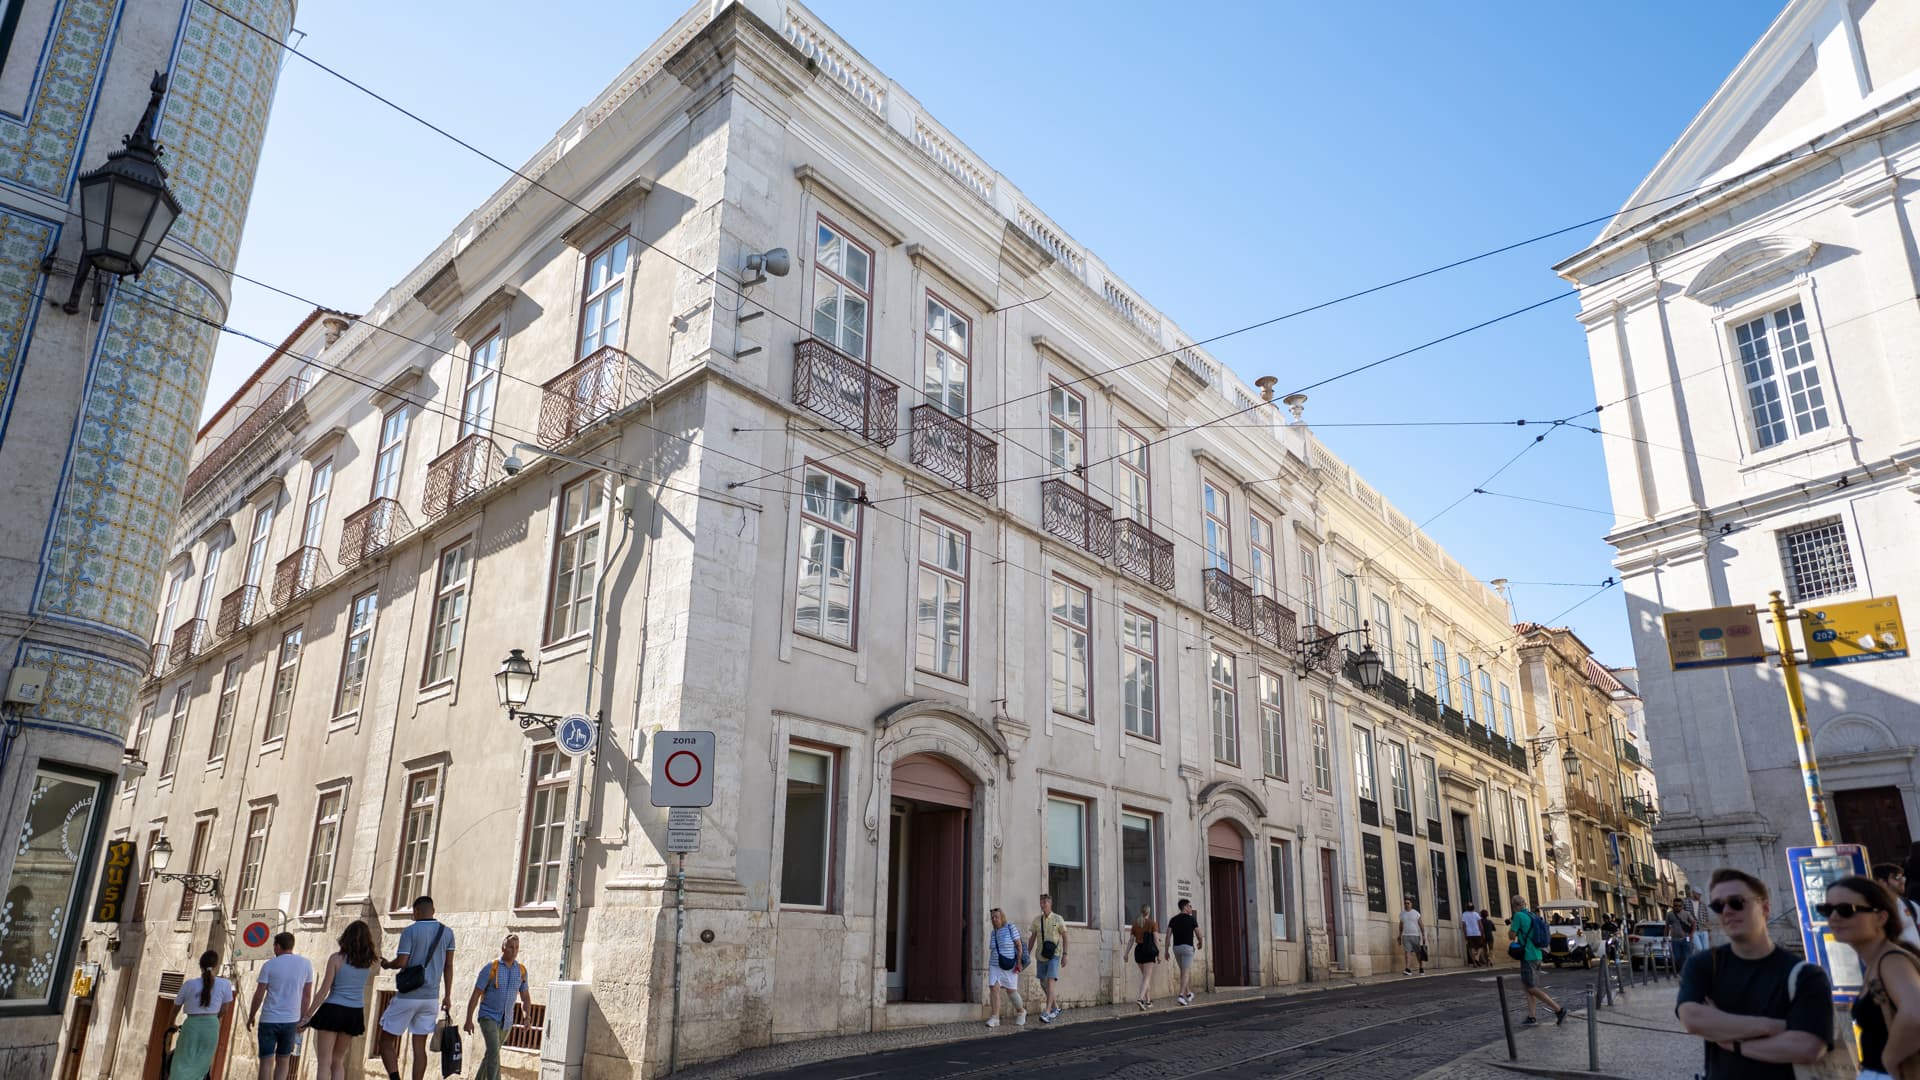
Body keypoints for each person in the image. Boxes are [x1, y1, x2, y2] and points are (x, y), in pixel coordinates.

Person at [1676, 867, 1835, 1079]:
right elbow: (1692, 1018)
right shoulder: (1703, 965)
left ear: (1765, 908)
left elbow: (1808, 1047)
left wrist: (1731, 1041)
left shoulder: (1805, 974)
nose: (1727, 911)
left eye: (1736, 902)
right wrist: (1774, 1026)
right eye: (1718, 906)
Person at [1821, 874, 1920, 1080]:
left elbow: (1916, 1012)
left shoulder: (1891, 960)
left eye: (1846, 910)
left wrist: (1889, 1059)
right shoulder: (1878, 961)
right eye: (1827, 910)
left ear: (1881, 917)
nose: (1834, 917)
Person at [379, 895, 455, 1080]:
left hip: (408, 996)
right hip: (431, 998)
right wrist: (447, 996)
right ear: (433, 910)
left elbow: (402, 961)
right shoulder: (447, 933)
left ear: (415, 911)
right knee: (419, 1048)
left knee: (385, 1041)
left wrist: (388, 964)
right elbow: (449, 966)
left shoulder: (410, 932)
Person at [299, 920, 380, 1080]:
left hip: (333, 1010)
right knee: (338, 1060)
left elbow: (323, 990)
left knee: (324, 1061)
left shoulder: (336, 959)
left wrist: (307, 1016)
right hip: (354, 1013)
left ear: (346, 937)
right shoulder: (368, 963)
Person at [465, 934, 534, 1077]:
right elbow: (475, 995)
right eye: (510, 947)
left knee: (491, 1054)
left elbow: (525, 997)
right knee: (494, 1054)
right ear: (503, 947)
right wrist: (468, 1019)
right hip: (488, 1016)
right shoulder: (491, 968)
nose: (514, 951)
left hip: (506, 1021)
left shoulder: (521, 971)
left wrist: (527, 1017)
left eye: (516, 948)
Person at [248, 931, 313, 1080]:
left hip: (268, 1019)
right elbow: (307, 994)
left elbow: (259, 994)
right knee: (284, 1061)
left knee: (266, 1061)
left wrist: (251, 1015)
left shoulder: (269, 965)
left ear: (277, 946)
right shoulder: (305, 964)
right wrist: (303, 1019)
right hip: (291, 1020)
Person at [168, 950, 234, 1080]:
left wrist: (171, 1023)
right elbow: (225, 1009)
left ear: (200, 965)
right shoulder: (225, 984)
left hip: (191, 1025)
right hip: (211, 1026)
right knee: (202, 1064)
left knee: (182, 1061)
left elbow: (176, 1007)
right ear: (217, 965)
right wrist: (213, 1019)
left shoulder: (189, 984)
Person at [1509, 895, 1567, 1026]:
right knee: (1527, 987)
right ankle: (1532, 1016)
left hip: (1528, 955)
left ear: (1515, 906)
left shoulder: (1518, 916)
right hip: (1538, 955)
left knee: (1531, 987)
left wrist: (1513, 927)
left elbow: (1511, 935)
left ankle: (1558, 1009)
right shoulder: (1532, 915)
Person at [1025, 894, 1067, 1024]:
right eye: (1041, 903)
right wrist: (1027, 954)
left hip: (1055, 954)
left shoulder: (1058, 919)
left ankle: (1047, 1012)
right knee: (1043, 983)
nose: (1042, 905)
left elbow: (1065, 937)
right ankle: (1055, 1008)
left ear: (1050, 903)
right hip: (1040, 955)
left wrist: (1065, 954)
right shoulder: (1037, 920)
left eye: (1045, 903)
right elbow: (1032, 939)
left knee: (1050, 981)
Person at [983, 908, 1027, 1028]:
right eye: (992, 917)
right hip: (994, 964)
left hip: (1009, 965)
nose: (994, 919)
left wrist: (1018, 962)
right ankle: (995, 1017)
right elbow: (993, 949)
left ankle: (1021, 1011)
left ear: (1002, 917)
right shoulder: (994, 932)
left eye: (996, 917)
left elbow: (1019, 945)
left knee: (1011, 991)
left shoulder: (1010, 928)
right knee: (994, 988)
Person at [1873, 864, 1920, 951]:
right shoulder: (1873, 911)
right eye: (1897, 877)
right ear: (1881, 882)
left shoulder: (1910, 905)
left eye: (1902, 877)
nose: (1902, 881)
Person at [1167, 898, 1203, 1004]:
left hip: (1176, 948)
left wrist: (1166, 950)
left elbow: (1168, 936)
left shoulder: (1173, 919)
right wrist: (1200, 943)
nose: (1191, 908)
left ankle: (1188, 993)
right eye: (1190, 906)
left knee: (1183, 972)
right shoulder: (1191, 919)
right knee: (1186, 972)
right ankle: (1181, 996)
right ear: (1185, 907)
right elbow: (1199, 934)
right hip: (1187, 948)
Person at [1130, 904, 1160, 1009]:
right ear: (1149, 912)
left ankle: (1148, 1001)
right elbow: (1156, 940)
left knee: (1145, 977)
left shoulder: (1135, 924)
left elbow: (1131, 940)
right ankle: (1140, 999)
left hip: (1138, 950)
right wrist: (1158, 953)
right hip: (1149, 950)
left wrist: (1126, 954)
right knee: (1147, 977)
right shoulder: (1152, 923)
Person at [1668, 899, 1697, 974]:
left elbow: (1694, 924)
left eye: (1679, 906)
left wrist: (1691, 934)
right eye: (1675, 906)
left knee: (1687, 956)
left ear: (1682, 906)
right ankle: (1683, 970)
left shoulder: (1687, 914)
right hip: (1675, 939)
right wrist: (1665, 937)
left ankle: (1685, 972)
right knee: (1677, 957)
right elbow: (1666, 926)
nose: (1677, 907)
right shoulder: (1669, 914)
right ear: (1673, 906)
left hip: (1686, 938)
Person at [1400, 897, 1426, 975]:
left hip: (1415, 935)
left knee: (1418, 953)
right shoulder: (1402, 914)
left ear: (1411, 904)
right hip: (1405, 935)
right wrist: (1399, 934)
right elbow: (1400, 925)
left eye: (1408, 903)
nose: (1406, 905)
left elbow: (1421, 924)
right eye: (1405, 903)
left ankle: (1421, 968)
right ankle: (1408, 969)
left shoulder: (1416, 913)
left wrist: (1423, 934)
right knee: (1407, 952)